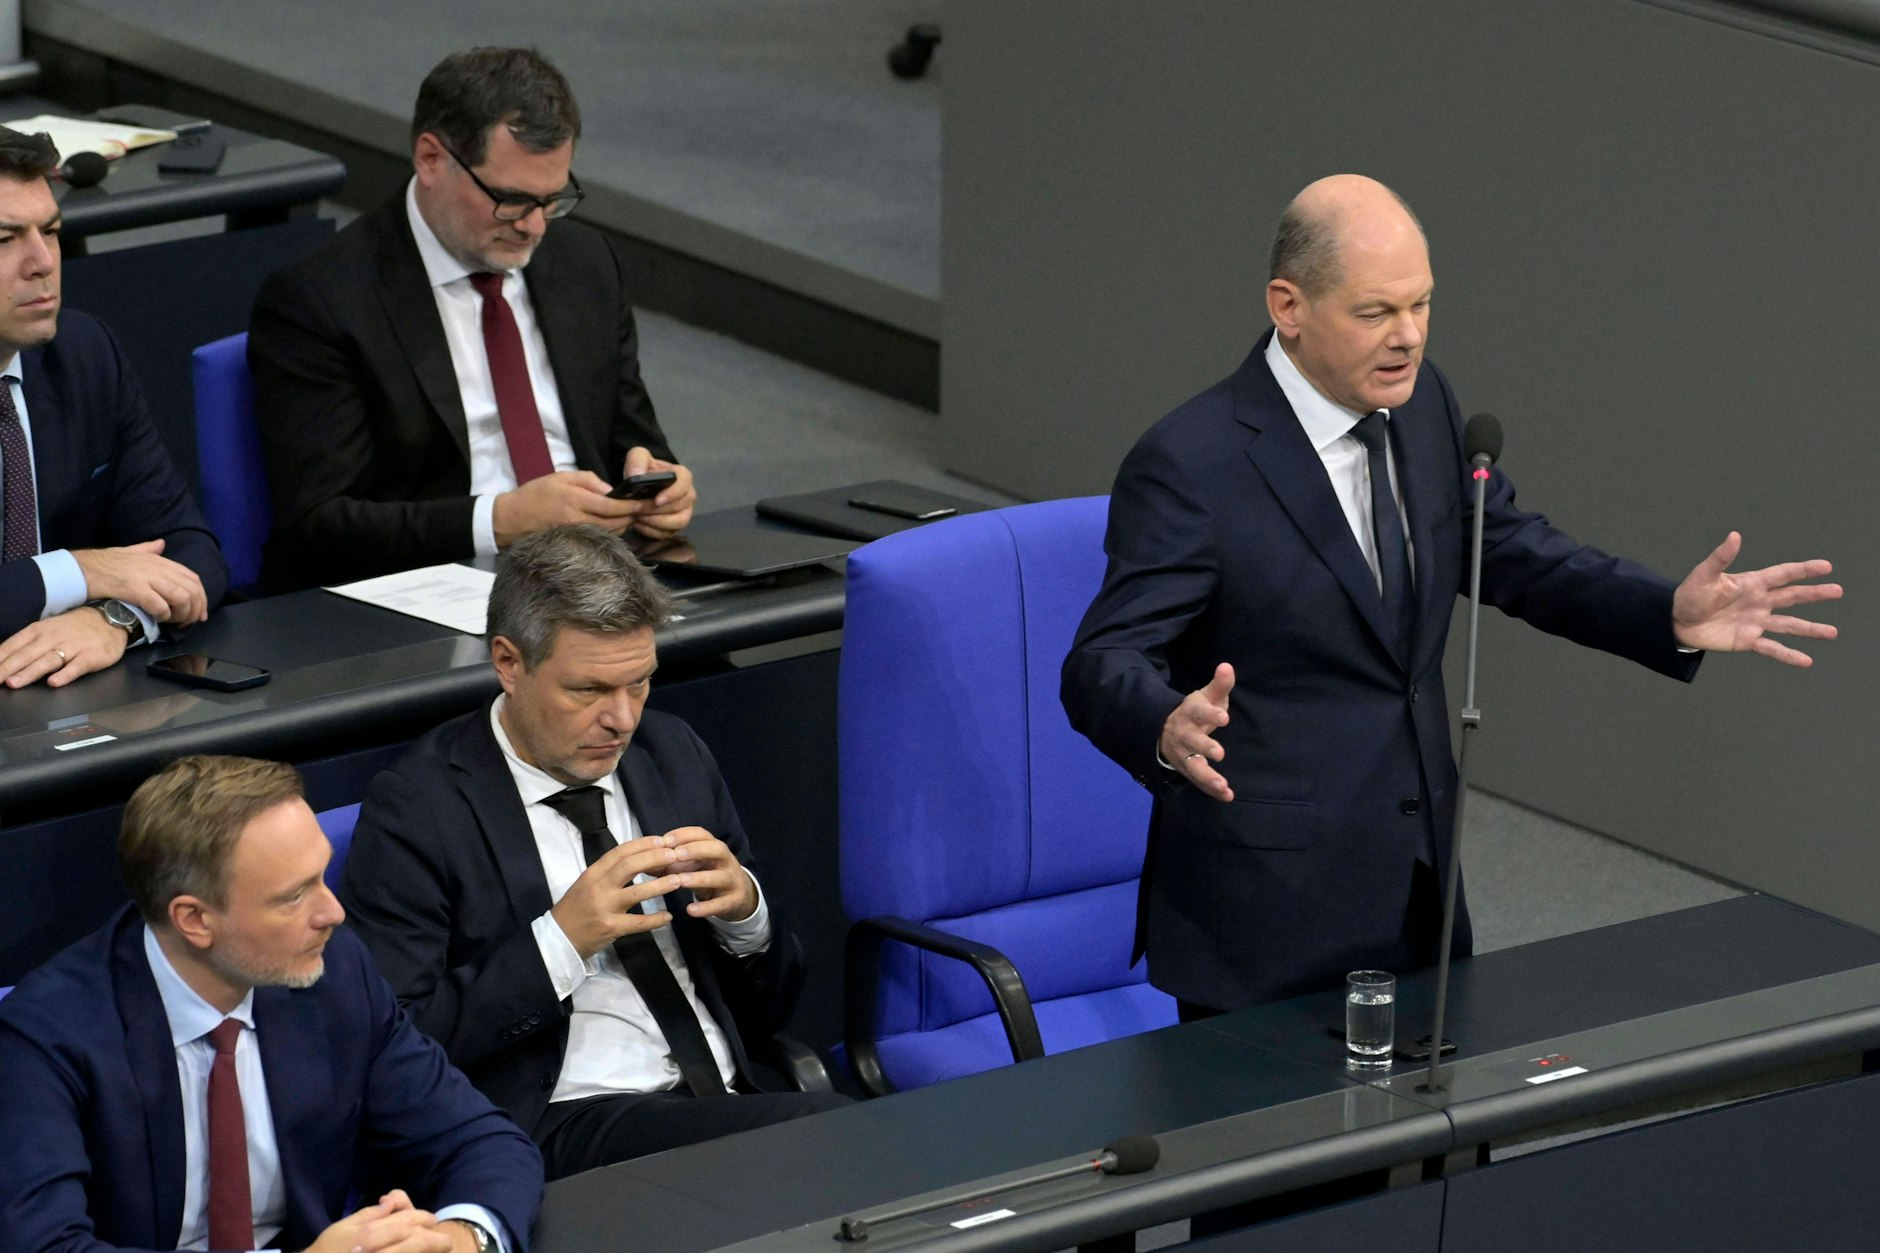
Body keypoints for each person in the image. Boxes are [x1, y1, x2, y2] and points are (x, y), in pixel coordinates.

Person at [1060, 174, 1842, 1018]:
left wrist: (1665, 613)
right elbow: (1102, 658)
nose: (1409, 337)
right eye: (1376, 313)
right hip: (1264, 909)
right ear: (1288, 306)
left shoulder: (1422, 404)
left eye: (1422, 305)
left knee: (1443, 1141)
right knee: (1289, 1149)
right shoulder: (1193, 463)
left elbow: (1502, 546)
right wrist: (1164, 727)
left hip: (1416, 879)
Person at [340, 524, 848, 1179]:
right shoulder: (420, 806)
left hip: (718, 1098)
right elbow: (400, 1043)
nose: (623, 718)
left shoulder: (673, 756)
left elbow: (770, 1011)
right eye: (589, 690)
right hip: (558, 1126)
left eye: (639, 683)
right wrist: (559, 941)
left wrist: (747, 917)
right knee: (831, 1139)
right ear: (508, 663)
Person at [0, 755, 542, 1252]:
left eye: (322, 877)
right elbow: (45, 1245)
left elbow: (480, 1140)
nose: (333, 913)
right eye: (294, 895)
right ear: (194, 919)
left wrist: (460, 1237)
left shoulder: (334, 974)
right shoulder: (46, 1037)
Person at [248, 47, 696, 591]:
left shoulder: (584, 263)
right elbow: (319, 525)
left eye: (552, 199)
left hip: (594, 575)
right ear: (432, 159)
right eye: (510, 200)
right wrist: (501, 519)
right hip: (431, 588)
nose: (534, 227)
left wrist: (661, 489)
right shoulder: (322, 299)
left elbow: (634, 439)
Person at [0, 126, 228, 688]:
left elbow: (189, 548)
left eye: (50, 232)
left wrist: (114, 617)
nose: (42, 262)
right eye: (4, 240)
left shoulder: (83, 354)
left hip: (59, 697)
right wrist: (83, 570)